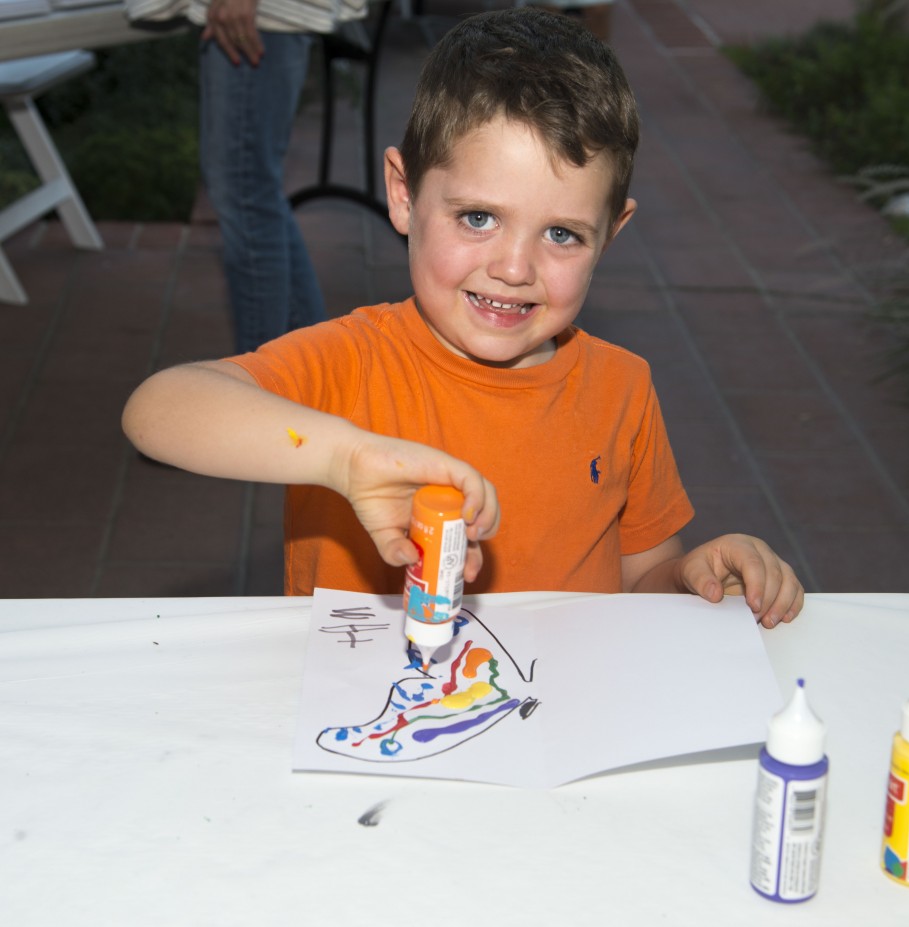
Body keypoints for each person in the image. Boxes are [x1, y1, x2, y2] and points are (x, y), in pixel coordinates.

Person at [123, 8, 804, 628]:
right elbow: (157, 411)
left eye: (562, 234)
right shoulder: (351, 362)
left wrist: (689, 579)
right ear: (403, 194)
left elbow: (640, 586)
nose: (514, 267)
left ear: (612, 233)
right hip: (378, 730)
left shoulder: (623, 388)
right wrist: (346, 458)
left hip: (558, 729)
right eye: (477, 218)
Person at [124, 0, 359, 351]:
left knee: (246, 191)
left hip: (258, 13)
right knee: (252, 191)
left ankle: (260, 389)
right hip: (259, 14)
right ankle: (313, 370)